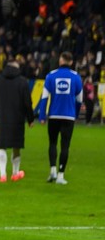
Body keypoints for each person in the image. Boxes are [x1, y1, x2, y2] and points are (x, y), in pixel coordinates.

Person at [36, 51, 84, 185]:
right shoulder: (76, 77)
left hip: (54, 115)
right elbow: (80, 99)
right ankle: (61, 175)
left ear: (60, 61)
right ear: (72, 62)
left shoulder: (51, 76)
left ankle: (52, 170)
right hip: (69, 116)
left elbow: (44, 97)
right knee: (65, 146)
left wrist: (42, 116)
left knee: (52, 143)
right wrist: (75, 113)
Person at [0, 60, 35, 182]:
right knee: (16, 146)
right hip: (17, 119)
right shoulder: (22, 81)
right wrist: (30, 119)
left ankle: (2, 175)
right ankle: (15, 173)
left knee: (1, 146)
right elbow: (27, 103)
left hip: (1, 117)